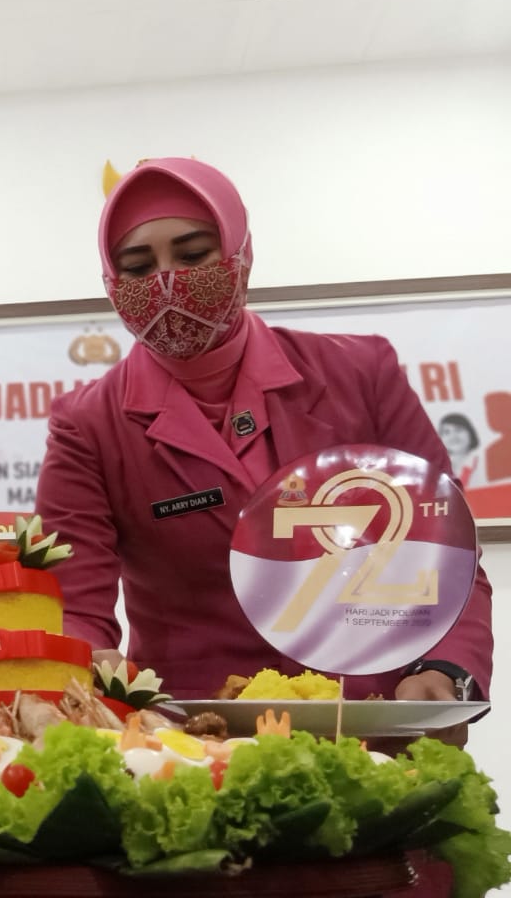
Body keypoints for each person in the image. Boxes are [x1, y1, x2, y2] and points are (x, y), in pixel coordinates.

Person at [36, 156, 493, 726]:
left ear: (241, 253)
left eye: (194, 254)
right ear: (110, 282)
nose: (167, 279)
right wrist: (81, 667)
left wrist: (448, 670)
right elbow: (74, 603)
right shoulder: (89, 425)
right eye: (137, 265)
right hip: (191, 737)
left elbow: (447, 551)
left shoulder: (362, 373)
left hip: (372, 720)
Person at [438, 412, 481, 487]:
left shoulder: (484, 463)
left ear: (470, 433)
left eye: (459, 430)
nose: (453, 436)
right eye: (446, 432)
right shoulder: (437, 468)